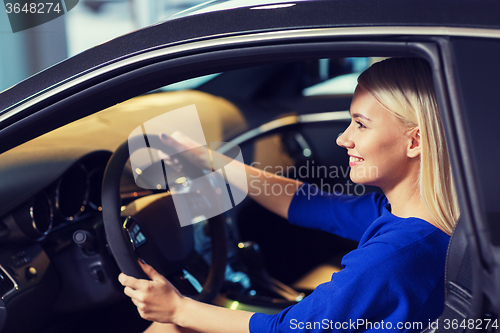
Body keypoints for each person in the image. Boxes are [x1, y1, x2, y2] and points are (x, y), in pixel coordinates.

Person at [118, 57, 460, 333]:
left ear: (415, 141)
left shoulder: (393, 258)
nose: (343, 139)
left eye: (360, 124)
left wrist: (178, 307)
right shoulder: (416, 219)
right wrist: (211, 161)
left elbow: (287, 329)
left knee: (171, 328)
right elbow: (310, 204)